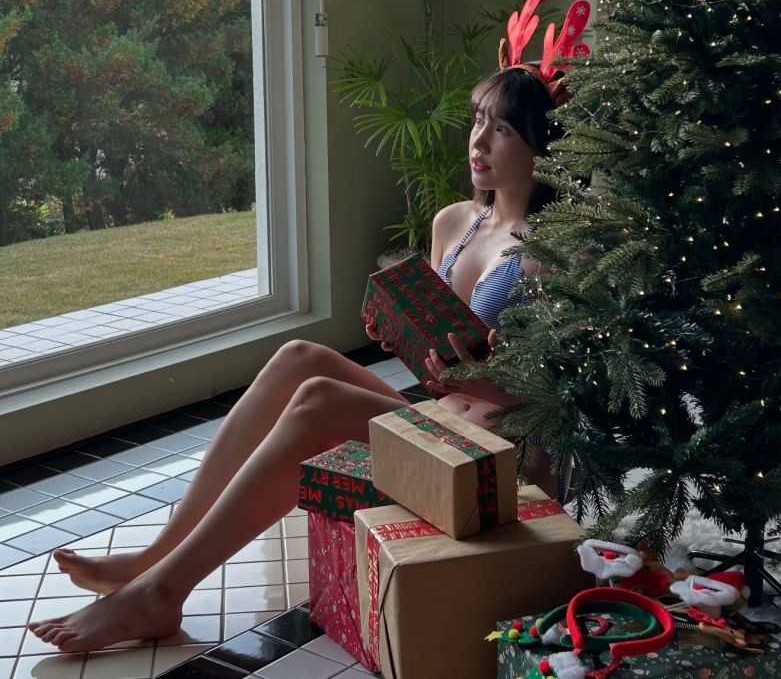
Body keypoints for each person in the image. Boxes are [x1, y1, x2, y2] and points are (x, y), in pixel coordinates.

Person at [27, 63, 562, 654]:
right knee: (298, 356)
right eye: (478, 121)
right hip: (440, 426)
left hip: (496, 462)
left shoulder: (554, 250)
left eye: (502, 129)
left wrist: (483, 383)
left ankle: (161, 593)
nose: (479, 142)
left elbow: (572, 400)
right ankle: (155, 556)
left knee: (319, 400)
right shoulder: (455, 222)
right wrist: (404, 336)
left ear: (541, 142)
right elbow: (441, 360)